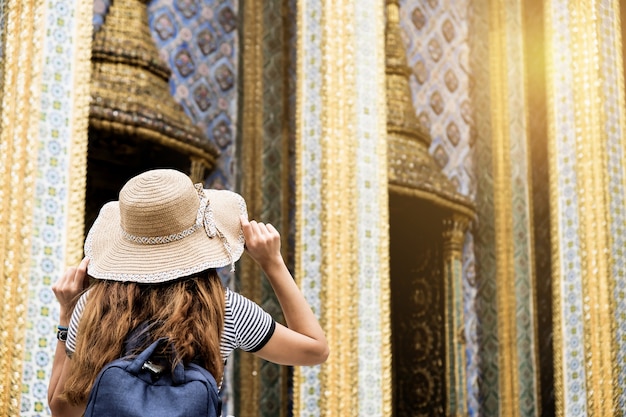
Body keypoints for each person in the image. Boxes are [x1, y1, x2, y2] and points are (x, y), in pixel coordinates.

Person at [47, 169, 329, 416]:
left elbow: (63, 410)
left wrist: (67, 315)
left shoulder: (93, 307)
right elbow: (315, 350)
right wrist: (272, 263)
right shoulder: (226, 310)